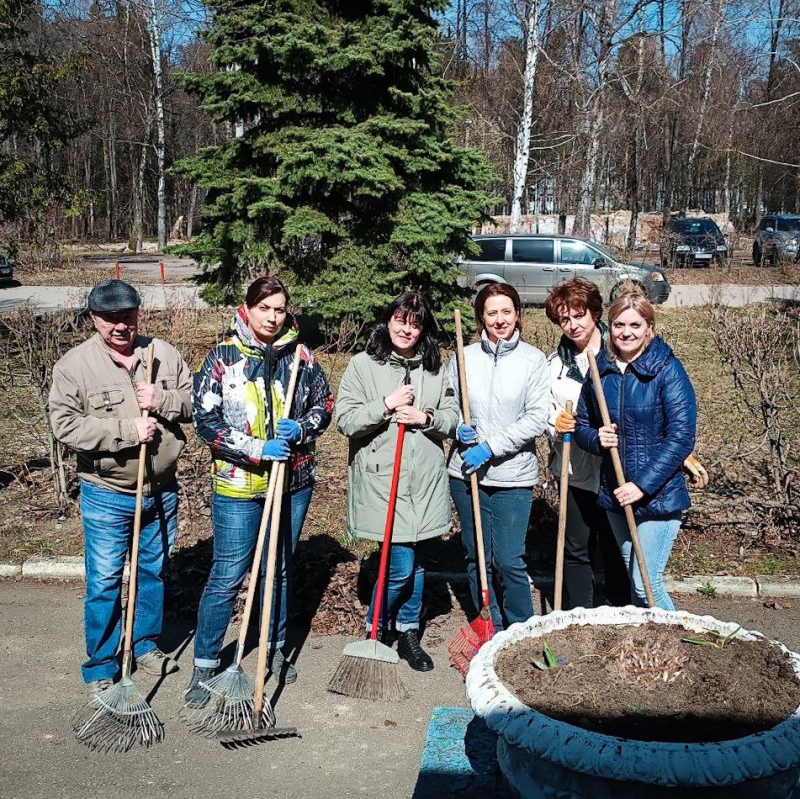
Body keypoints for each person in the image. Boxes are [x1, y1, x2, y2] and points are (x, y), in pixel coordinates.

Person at [186, 276, 333, 706]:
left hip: (292, 481)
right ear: (246, 309)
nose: (272, 317)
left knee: (278, 570)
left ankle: (274, 647)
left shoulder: (302, 358)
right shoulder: (222, 359)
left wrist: (302, 429)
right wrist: (256, 448)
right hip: (238, 483)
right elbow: (206, 423)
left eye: (280, 309)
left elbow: (323, 406)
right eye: (264, 308)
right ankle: (206, 662)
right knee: (229, 573)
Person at [49, 279, 193, 696]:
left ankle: (144, 644)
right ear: (94, 319)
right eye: (110, 319)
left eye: (127, 317)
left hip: (162, 489)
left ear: (137, 315)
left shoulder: (162, 354)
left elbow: (194, 402)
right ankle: (101, 664)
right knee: (106, 580)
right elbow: (66, 425)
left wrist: (161, 399)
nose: (120, 326)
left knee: (153, 571)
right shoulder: (74, 366)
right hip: (107, 493)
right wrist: (127, 430)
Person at [336, 292, 458, 672]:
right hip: (383, 481)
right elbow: (345, 421)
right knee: (402, 566)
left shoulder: (438, 369)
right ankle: (375, 627)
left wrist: (426, 417)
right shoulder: (362, 365)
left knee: (417, 562)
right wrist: (385, 405)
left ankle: (407, 632)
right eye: (400, 320)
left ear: (424, 329)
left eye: (415, 323)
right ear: (388, 321)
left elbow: (455, 417)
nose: (407, 329)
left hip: (424, 480)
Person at [574, 291, 697, 611]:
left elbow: (681, 437)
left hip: (658, 495)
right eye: (618, 324)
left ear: (649, 328)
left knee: (647, 583)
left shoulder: (667, 370)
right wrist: (596, 437)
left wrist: (641, 484)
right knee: (635, 579)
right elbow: (582, 427)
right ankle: (645, 650)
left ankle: (674, 648)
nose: (626, 332)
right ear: (609, 327)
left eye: (635, 324)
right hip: (616, 493)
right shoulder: (599, 369)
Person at [448, 283, 550, 631]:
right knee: (477, 557)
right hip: (466, 473)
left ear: (517, 314)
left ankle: (521, 630)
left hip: (512, 475)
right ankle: (488, 625)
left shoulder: (532, 360)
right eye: (492, 312)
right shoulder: (463, 358)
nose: (500, 319)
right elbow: (448, 403)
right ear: (481, 317)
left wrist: (490, 447)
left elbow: (536, 417)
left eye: (506, 311)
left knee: (508, 560)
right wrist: (454, 427)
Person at [544, 278, 630, 609]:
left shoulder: (621, 355)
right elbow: (546, 412)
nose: (572, 325)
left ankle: (620, 613)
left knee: (616, 548)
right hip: (574, 468)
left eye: (579, 315)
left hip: (616, 471)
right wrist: (556, 424)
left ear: (594, 313)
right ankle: (578, 616)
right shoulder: (556, 365)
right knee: (575, 548)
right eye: (564, 319)